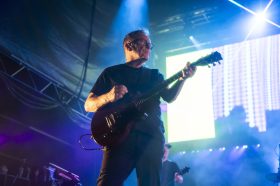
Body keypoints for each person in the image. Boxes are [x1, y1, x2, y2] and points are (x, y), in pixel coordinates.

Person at [84, 29, 196, 186]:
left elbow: (169, 97)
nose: (149, 47)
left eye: (150, 44)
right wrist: (108, 96)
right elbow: (88, 104)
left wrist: (182, 79)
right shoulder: (111, 73)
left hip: (151, 136)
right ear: (130, 45)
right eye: (145, 43)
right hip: (119, 136)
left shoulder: (154, 75)